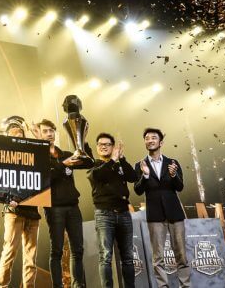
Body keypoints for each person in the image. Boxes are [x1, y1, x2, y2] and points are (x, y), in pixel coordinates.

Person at [35, 119, 93, 288]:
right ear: (39, 134)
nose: (49, 134)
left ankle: (78, 285)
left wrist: (82, 142)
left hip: (73, 206)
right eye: (45, 131)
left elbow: (89, 163)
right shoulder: (39, 157)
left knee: (78, 250)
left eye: (51, 131)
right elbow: (44, 179)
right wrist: (63, 165)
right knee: (57, 250)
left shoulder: (65, 154)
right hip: (54, 208)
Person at [133, 128, 190, 288]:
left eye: (153, 137)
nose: (150, 140)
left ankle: (185, 285)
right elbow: (138, 190)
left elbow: (180, 187)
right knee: (158, 257)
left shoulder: (173, 163)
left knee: (181, 255)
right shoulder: (140, 165)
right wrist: (145, 176)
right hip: (155, 215)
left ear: (161, 142)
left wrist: (173, 175)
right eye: (147, 138)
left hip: (175, 213)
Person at [88, 133, 139, 288]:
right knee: (105, 257)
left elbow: (133, 177)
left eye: (107, 144)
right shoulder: (94, 164)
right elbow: (98, 176)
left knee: (128, 257)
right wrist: (113, 160)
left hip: (124, 213)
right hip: (104, 214)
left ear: (113, 147)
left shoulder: (119, 164)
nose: (104, 146)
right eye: (100, 144)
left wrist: (121, 158)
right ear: (97, 147)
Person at [0, 115, 42, 288]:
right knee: (9, 252)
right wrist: (7, 199)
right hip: (14, 211)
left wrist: (38, 137)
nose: (17, 135)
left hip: (32, 211)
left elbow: (43, 171)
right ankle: (2, 286)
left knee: (31, 258)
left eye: (20, 133)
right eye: (13, 133)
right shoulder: (2, 155)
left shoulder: (32, 153)